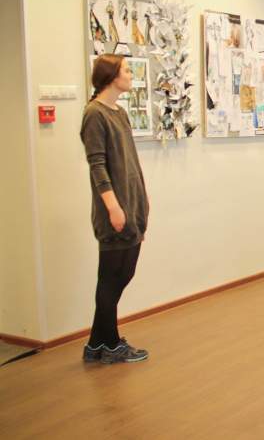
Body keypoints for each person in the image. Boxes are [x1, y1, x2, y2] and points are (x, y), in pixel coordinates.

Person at [80, 54, 150, 364]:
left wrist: (140, 198)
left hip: (131, 203)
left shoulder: (119, 113)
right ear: (111, 76)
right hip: (114, 209)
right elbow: (97, 165)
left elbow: (129, 161)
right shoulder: (94, 114)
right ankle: (109, 344)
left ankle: (97, 343)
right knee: (110, 278)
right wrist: (113, 207)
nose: (130, 74)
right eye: (126, 70)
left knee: (124, 273)